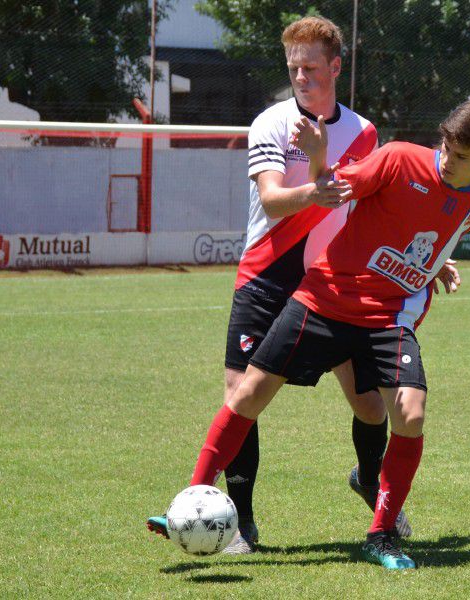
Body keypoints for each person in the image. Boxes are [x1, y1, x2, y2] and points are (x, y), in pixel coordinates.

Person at [181, 97, 470, 569]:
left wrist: (436, 266)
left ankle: (381, 534)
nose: (446, 157)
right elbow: (332, 189)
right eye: (445, 145)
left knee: (410, 414)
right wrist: (319, 157)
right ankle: (190, 499)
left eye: (460, 155)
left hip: (387, 318)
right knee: (249, 392)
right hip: (324, 299)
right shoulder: (399, 157)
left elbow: (434, 234)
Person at [146, 15, 418, 554]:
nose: (300, 76)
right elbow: (271, 200)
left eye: (311, 67)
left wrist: (426, 258)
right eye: (293, 67)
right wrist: (317, 189)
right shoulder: (270, 123)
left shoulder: (363, 132)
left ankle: (368, 478)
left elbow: (368, 203)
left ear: (335, 67)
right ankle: (241, 524)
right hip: (266, 276)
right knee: (240, 394)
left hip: (335, 281)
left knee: (369, 406)